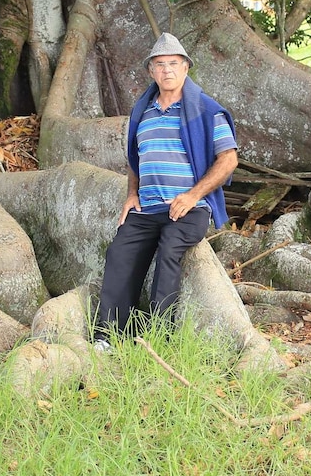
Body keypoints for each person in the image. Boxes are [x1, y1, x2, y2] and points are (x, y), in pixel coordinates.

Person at [93, 32, 238, 352]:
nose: (167, 70)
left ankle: (159, 337)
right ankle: (108, 336)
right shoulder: (142, 113)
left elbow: (228, 159)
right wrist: (132, 194)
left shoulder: (206, 110)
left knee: (170, 249)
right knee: (119, 253)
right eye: (160, 65)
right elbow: (136, 159)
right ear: (151, 72)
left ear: (186, 68)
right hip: (148, 208)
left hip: (189, 208)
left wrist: (193, 195)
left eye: (174, 63)